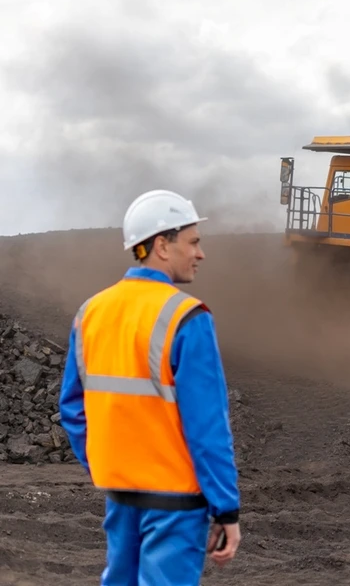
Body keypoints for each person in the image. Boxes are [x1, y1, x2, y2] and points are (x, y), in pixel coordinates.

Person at [58, 189, 242, 585]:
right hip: (175, 503)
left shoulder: (90, 313)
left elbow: (73, 409)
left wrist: (108, 467)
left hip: (120, 497)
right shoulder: (187, 317)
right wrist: (226, 508)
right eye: (193, 242)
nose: (200, 254)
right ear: (161, 245)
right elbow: (207, 426)